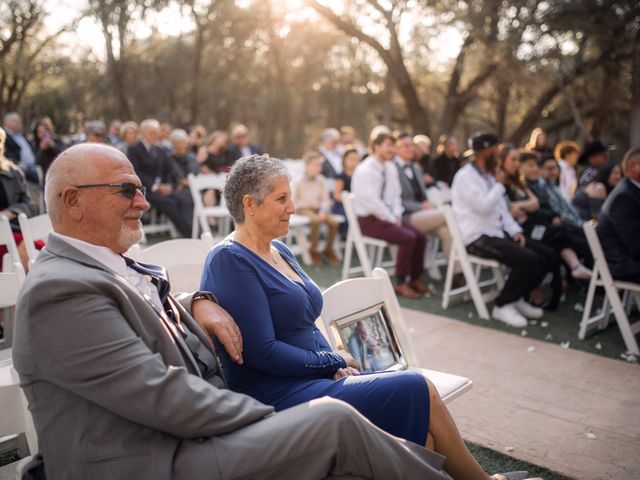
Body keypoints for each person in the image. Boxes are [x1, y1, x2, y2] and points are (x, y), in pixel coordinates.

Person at [13, 143, 462, 480]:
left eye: (142, 189)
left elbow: (146, 316)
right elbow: (161, 396)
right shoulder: (59, 290)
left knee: (385, 428)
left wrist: (199, 301)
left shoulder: (110, 268)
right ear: (73, 201)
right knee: (333, 420)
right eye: (126, 190)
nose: (144, 203)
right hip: (150, 458)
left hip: (187, 435)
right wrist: (272, 417)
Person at [200, 154, 523, 480]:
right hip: (277, 394)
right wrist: (330, 361)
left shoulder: (279, 249)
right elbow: (262, 352)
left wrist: (336, 366)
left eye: (291, 197)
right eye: (281, 199)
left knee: (425, 438)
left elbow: (305, 324)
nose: (293, 208)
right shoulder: (229, 260)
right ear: (249, 205)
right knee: (418, 387)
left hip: (313, 377)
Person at [452, 133, 551, 327]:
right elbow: (483, 207)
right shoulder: (465, 177)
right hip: (477, 237)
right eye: (494, 152)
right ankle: (503, 304)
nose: (498, 156)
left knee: (546, 256)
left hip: (497, 233)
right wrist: (498, 185)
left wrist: (515, 231)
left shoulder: (490, 176)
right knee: (527, 260)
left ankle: (517, 297)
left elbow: (501, 210)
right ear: (483, 153)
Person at [352, 133, 428, 299]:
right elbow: (372, 202)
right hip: (369, 220)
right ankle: (401, 283)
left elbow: (395, 196)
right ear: (376, 146)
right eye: (387, 145)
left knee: (420, 236)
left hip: (388, 217)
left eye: (393, 145)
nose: (391, 149)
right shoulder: (365, 170)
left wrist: (397, 215)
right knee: (408, 238)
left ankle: (414, 278)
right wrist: (392, 218)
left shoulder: (390, 167)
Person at [394, 133, 460, 285]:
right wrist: (420, 206)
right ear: (396, 149)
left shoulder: (416, 168)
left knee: (446, 231)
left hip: (423, 215)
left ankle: (456, 274)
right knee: (448, 213)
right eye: (406, 145)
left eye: (412, 145)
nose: (411, 148)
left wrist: (426, 203)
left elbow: (422, 194)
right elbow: (395, 200)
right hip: (405, 216)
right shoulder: (392, 168)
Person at [127, 118, 193, 237]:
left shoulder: (160, 150)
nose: (155, 136)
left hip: (163, 189)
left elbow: (169, 170)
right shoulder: (134, 149)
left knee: (183, 198)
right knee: (170, 203)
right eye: (151, 133)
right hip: (145, 190)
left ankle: (193, 230)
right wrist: (156, 187)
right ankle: (189, 234)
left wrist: (171, 185)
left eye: (156, 133)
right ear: (143, 133)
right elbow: (136, 173)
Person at [597, 147, 640, 284]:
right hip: (627, 266)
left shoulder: (631, 190)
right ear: (635, 166)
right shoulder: (623, 197)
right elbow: (635, 245)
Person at [0, 127, 41, 270]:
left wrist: (11, 212)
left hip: (13, 228)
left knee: (42, 251)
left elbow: (29, 204)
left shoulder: (13, 172)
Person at [293, 151, 340, 265]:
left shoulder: (321, 180)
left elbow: (325, 199)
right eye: (315, 165)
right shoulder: (298, 181)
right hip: (304, 209)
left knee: (334, 222)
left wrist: (324, 210)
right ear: (307, 166)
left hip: (319, 208)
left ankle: (328, 249)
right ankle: (313, 250)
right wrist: (302, 207)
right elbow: (295, 200)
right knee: (316, 220)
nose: (318, 168)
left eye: (320, 165)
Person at [3, 112, 39, 184]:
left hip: (34, 166)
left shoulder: (23, 136)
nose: (20, 123)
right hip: (19, 168)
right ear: (7, 123)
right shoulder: (4, 137)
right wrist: (17, 164)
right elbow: (5, 154)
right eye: (16, 121)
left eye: (20, 121)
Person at [331, 147, 359, 238]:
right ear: (344, 160)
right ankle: (346, 237)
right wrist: (349, 200)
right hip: (342, 205)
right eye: (351, 159)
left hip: (356, 203)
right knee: (350, 217)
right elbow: (337, 195)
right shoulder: (341, 176)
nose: (353, 161)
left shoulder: (359, 175)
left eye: (355, 159)